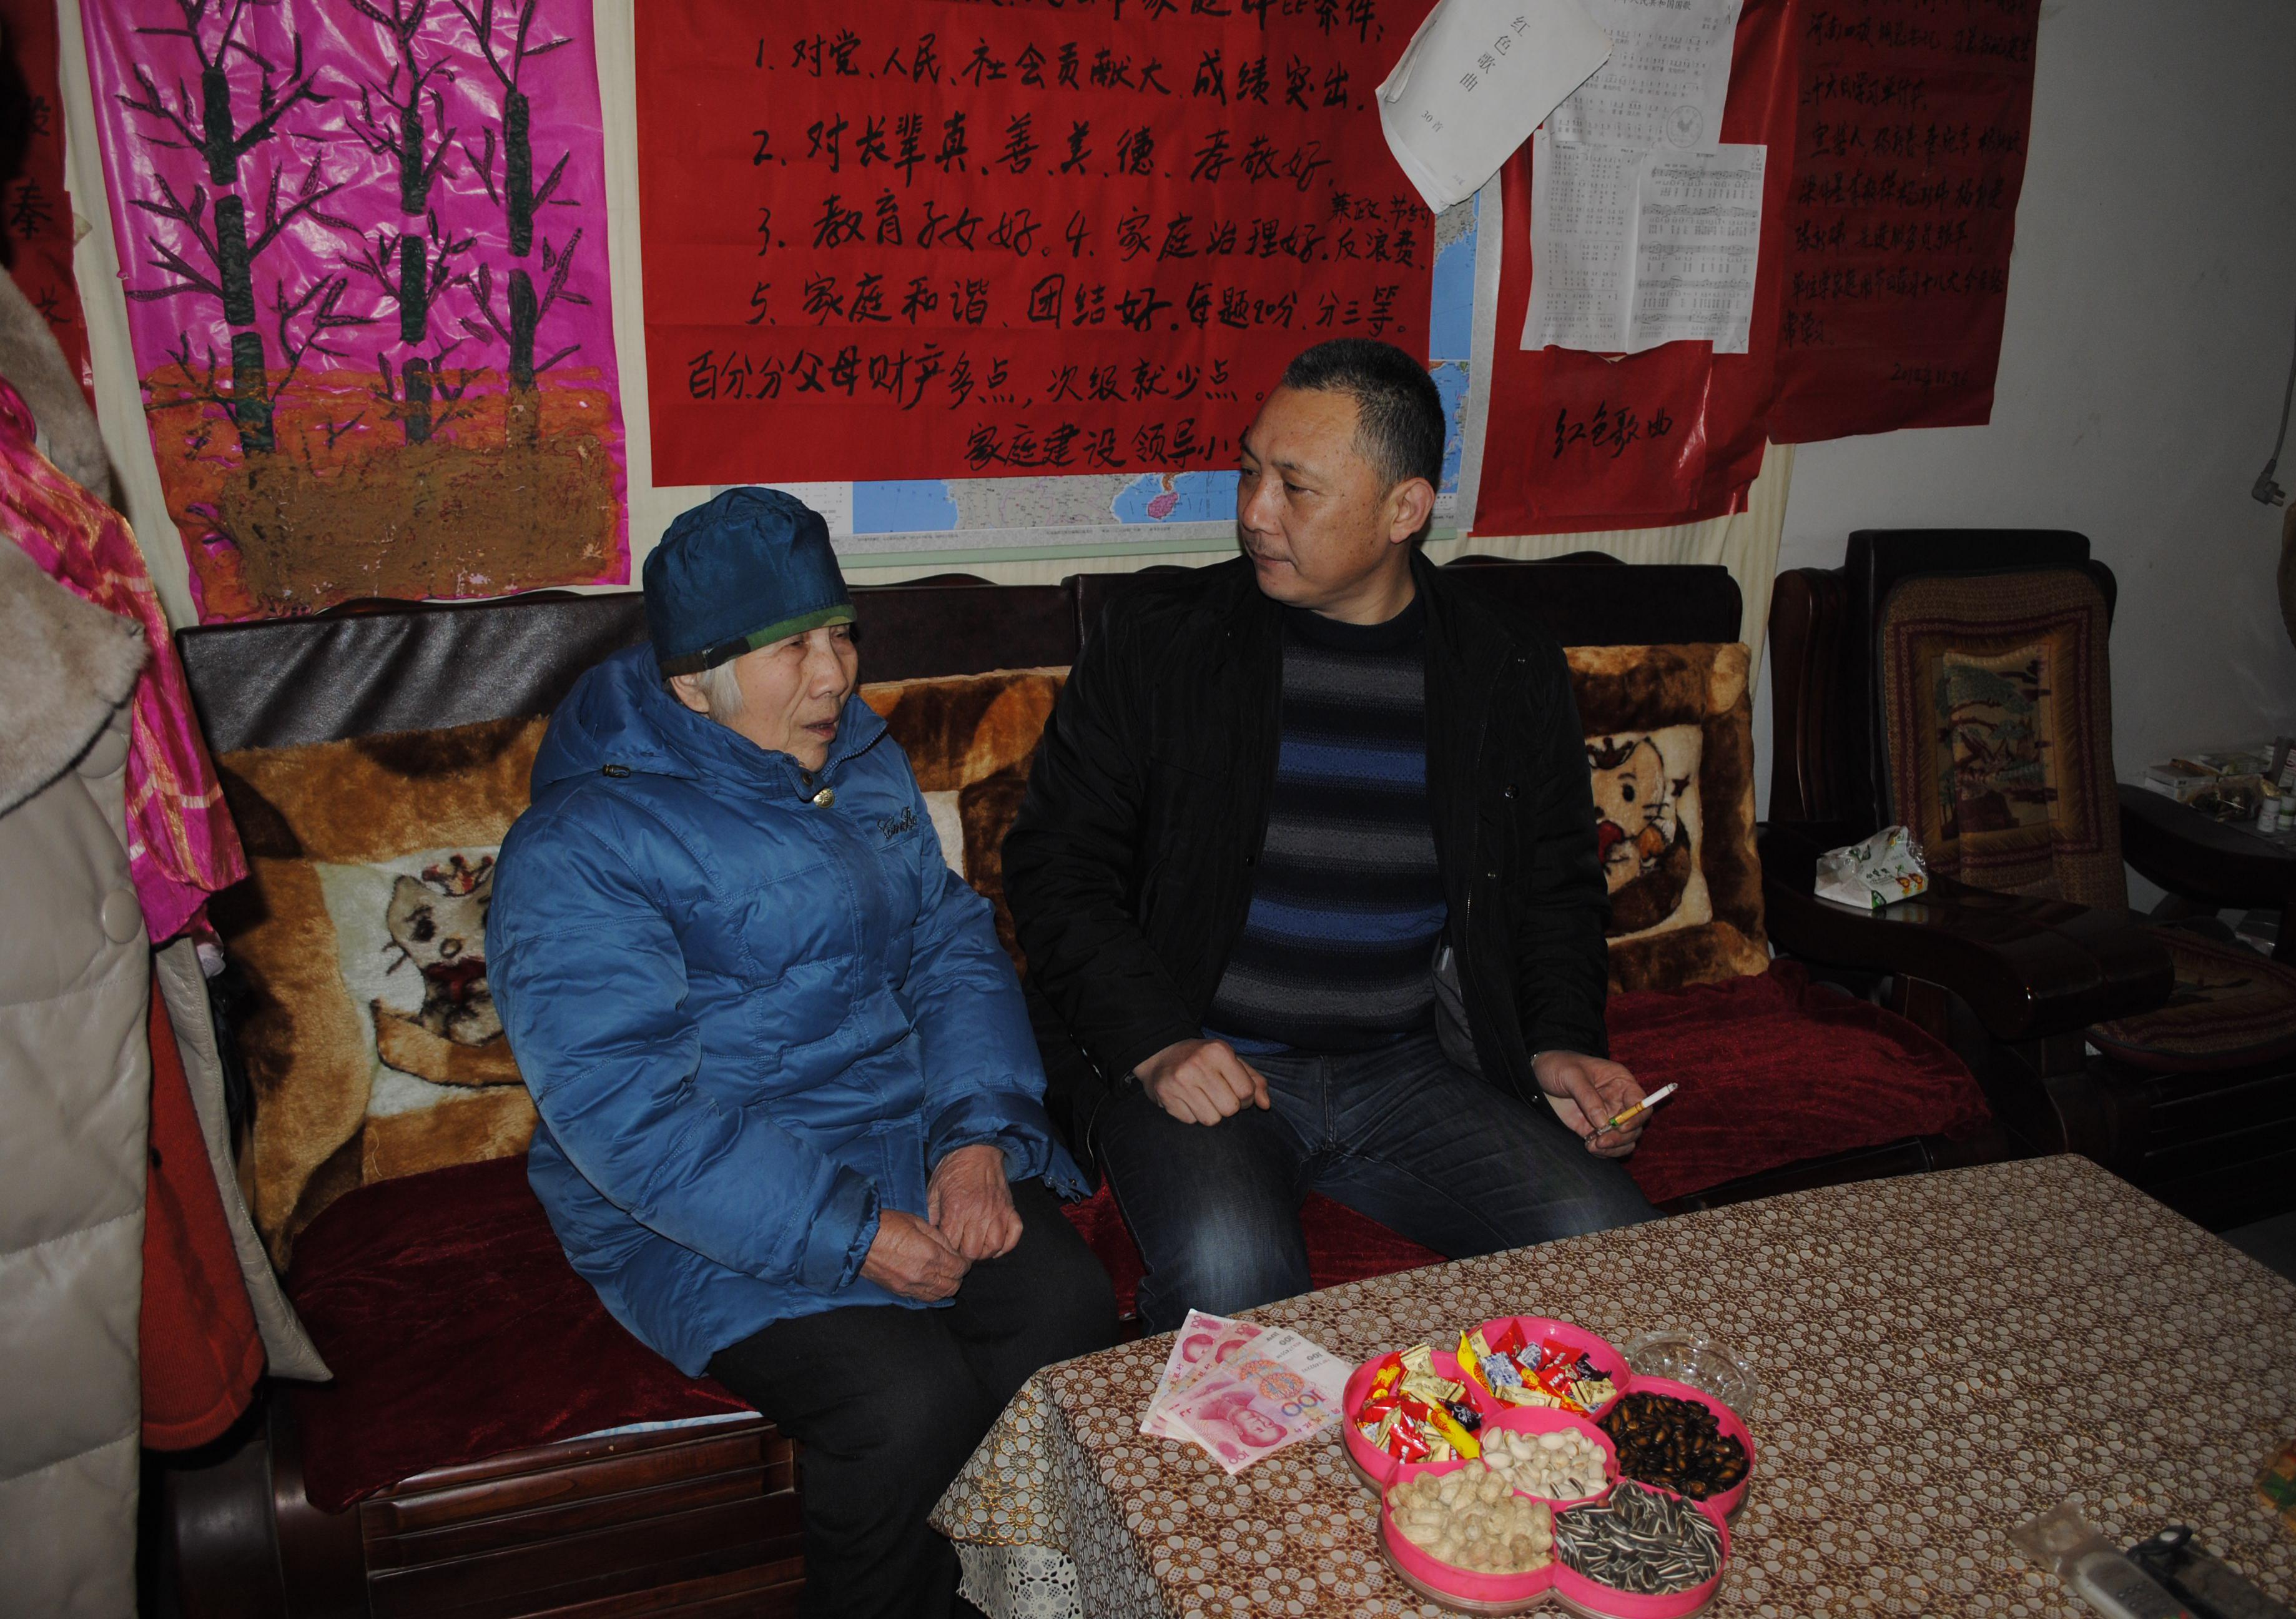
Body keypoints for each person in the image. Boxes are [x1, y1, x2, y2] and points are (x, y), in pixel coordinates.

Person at [488, 488, 1116, 1619]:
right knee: (904, 1404)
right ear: (694, 682)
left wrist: (976, 1136)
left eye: (840, 632)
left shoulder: (856, 758)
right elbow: (627, 1110)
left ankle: (1027, 1602)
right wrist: (853, 1235)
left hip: (901, 1132)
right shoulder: (582, 844)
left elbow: (948, 944)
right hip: (703, 1198)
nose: (834, 675)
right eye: (792, 649)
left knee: (1062, 1310)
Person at [1003, 338, 1659, 1336]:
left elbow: (1555, 883)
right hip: (1210, 1059)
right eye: (1250, 472)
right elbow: (1056, 868)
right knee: (1233, 1276)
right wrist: (1158, 1044)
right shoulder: (1165, 641)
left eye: (1296, 488)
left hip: (1408, 1069)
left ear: (1404, 509)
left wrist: (1562, 1043)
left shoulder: (1503, 665)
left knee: (1614, 1250)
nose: (1255, 512)